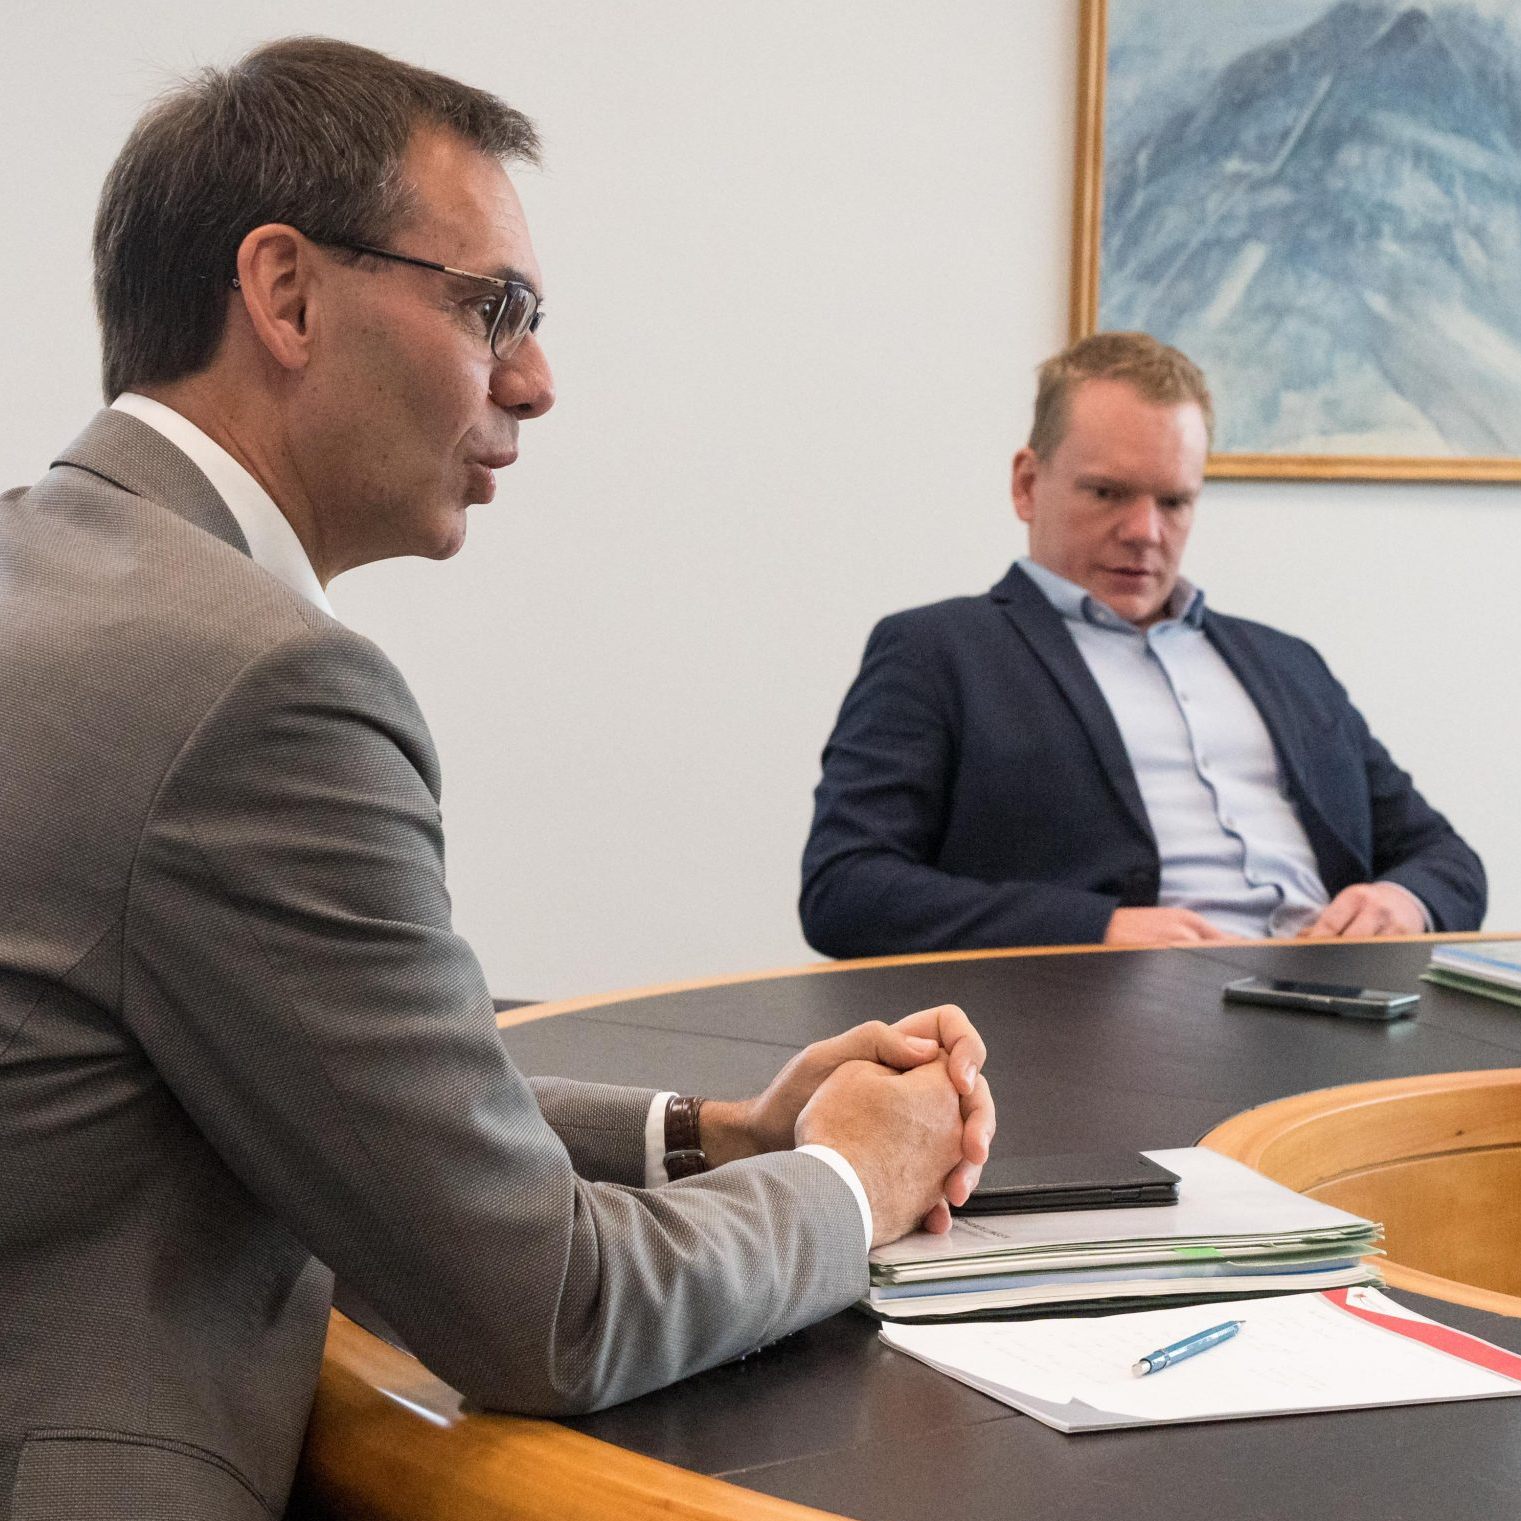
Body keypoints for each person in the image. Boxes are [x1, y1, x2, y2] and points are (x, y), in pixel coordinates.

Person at [0, 38, 994, 1520]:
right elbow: (550, 1312)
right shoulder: (260, 688)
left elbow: (309, 1080)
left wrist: (713, 1137)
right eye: (493, 309)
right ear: (286, 294)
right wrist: (850, 1181)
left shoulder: (53, 574)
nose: (534, 381)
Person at [801, 331, 1485, 957]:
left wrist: (1403, 900)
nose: (1144, 531)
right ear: (1027, 484)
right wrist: (1095, 928)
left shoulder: (1287, 662)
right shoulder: (937, 651)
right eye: (1107, 492)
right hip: (1113, 1008)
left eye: (1173, 502)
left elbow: (1445, 857)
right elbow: (845, 889)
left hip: (1343, 995)